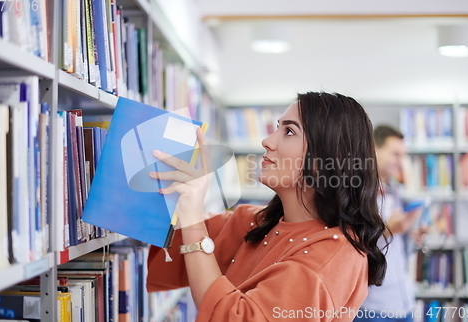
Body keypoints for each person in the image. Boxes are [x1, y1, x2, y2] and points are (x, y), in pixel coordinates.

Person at [146, 91, 388, 321]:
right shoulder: (254, 222)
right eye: (277, 128)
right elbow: (162, 254)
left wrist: (192, 219)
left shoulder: (333, 256)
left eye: (289, 131)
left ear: (325, 159)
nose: (267, 141)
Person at [354, 125, 423, 322]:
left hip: (404, 303)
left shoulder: (394, 191)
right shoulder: (354, 193)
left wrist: (409, 234)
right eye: (395, 154)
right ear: (373, 149)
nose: (400, 161)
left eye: (402, 155)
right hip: (372, 308)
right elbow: (351, 241)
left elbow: (395, 247)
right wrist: (387, 230)